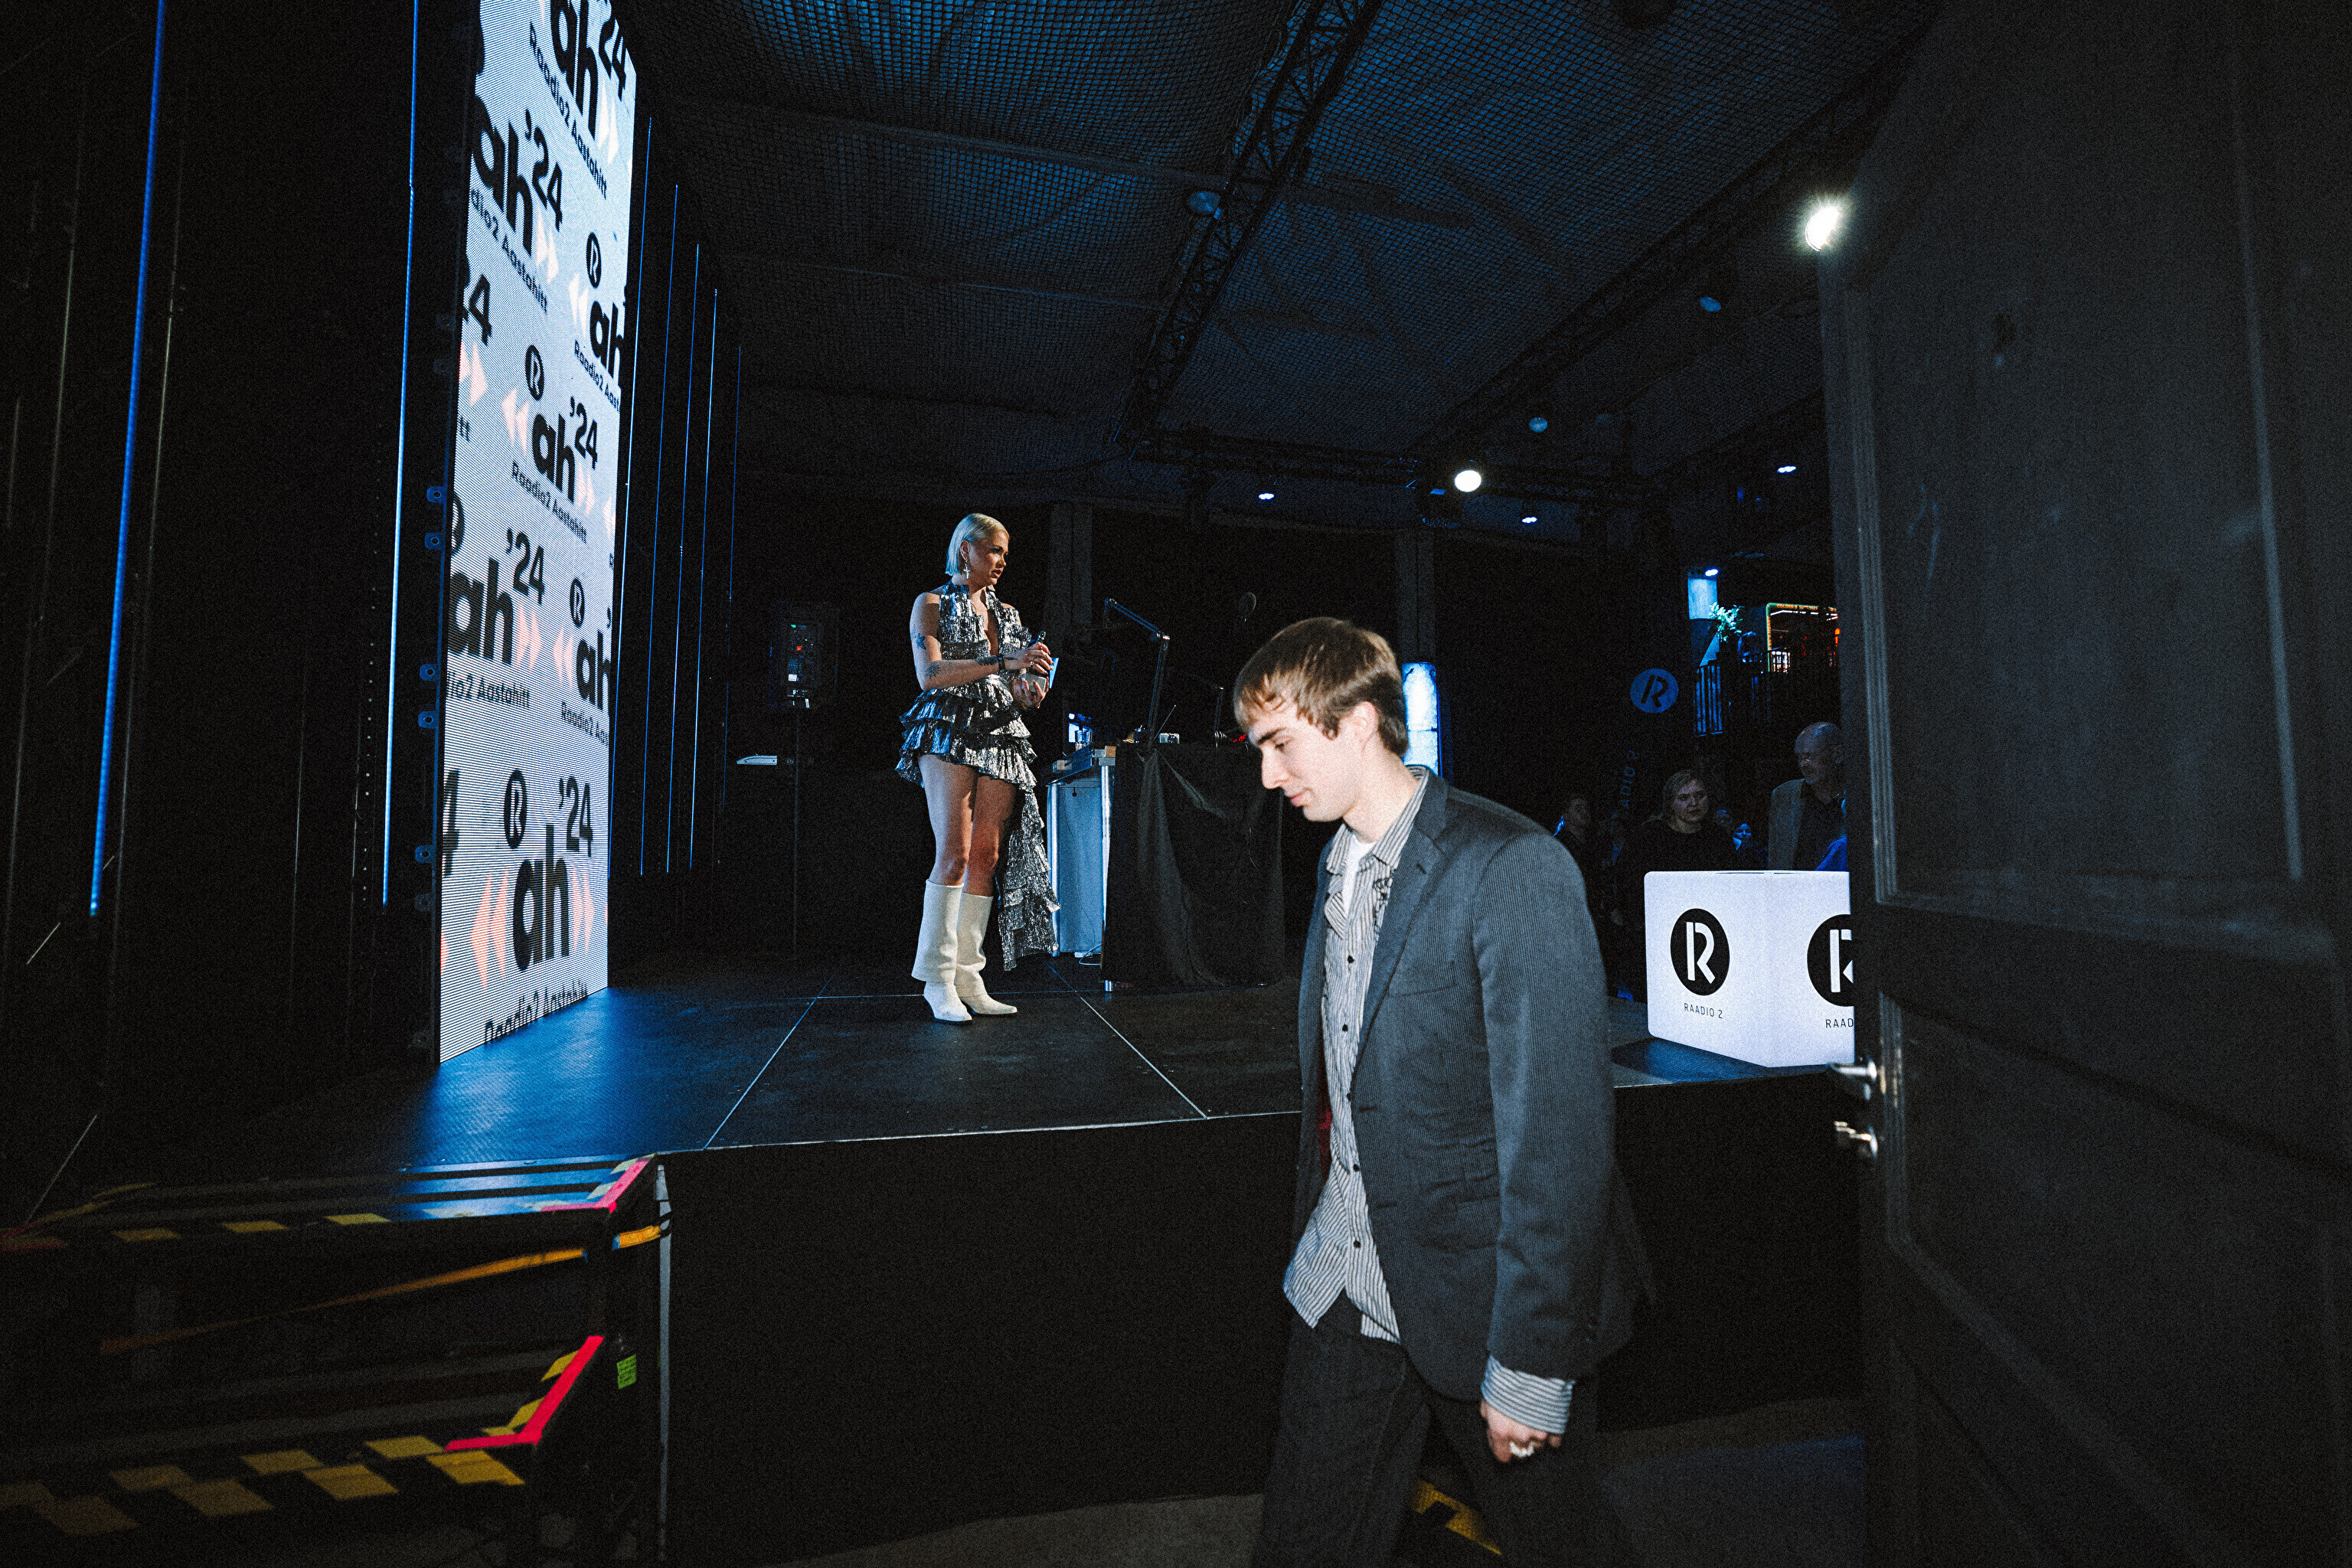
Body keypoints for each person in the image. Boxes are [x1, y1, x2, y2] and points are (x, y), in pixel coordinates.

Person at [1238, 619, 1649, 1568]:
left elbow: (1560, 1141)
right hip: (1347, 1283)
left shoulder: (1510, 865)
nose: (1266, 774)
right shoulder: (1337, 865)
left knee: (1564, 1546)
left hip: (1487, 1304)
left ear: (1357, 721)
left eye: (1280, 743)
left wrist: (1534, 1359)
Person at [900, 514, 1057, 1024]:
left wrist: (1030, 687)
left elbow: (1018, 687)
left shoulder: (1007, 613)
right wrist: (1005, 662)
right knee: (955, 852)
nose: (1001, 561)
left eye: (1005, 553)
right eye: (993, 550)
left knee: (986, 857)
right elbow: (930, 674)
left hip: (1000, 730)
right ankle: (937, 978)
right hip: (947, 725)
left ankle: (969, 974)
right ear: (965, 549)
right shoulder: (931, 603)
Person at [1618, 771, 1739, 998]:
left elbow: (1733, 886)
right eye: (1684, 798)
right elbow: (1627, 885)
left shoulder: (1718, 838)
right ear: (1670, 803)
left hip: (1706, 937)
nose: (1694, 803)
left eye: (1699, 795)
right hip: (1656, 940)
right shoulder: (1648, 837)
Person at [1767, 723, 1846, 871]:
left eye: (1809, 756)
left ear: (1838, 755)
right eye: (1799, 757)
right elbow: (1775, 858)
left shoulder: (1858, 795)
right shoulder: (1785, 795)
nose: (1803, 764)